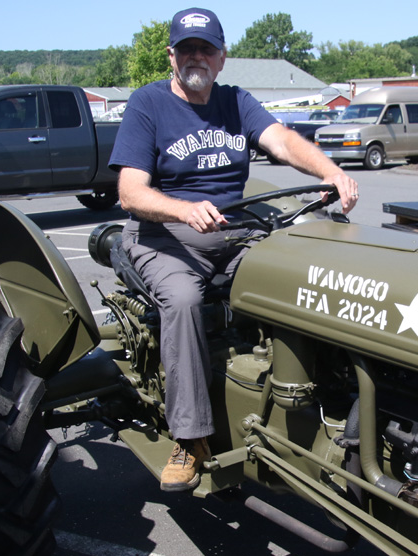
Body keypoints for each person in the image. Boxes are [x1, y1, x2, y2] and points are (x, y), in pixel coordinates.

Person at [108, 7, 359, 492]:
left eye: (206, 49)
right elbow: (130, 192)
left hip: (235, 234)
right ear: (172, 57)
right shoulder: (148, 104)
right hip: (163, 237)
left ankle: (328, 393)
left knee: (300, 273)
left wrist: (330, 171)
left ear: (222, 58)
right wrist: (183, 209)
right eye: (186, 49)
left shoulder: (235, 101)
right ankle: (190, 438)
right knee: (182, 301)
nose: (196, 57)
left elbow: (283, 141)